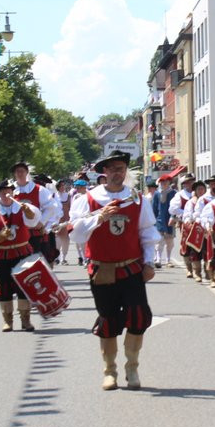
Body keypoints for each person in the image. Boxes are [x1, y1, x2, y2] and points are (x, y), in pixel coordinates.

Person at [69, 150, 159, 390]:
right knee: (108, 319)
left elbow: (147, 232)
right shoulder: (88, 200)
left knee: (139, 317)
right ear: (104, 172)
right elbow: (75, 234)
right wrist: (98, 219)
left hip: (131, 267)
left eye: (121, 168)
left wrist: (149, 262)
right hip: (103, 269)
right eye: (112, 169)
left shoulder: (136, 198)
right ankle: (110, 371)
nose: (117, 173)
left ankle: (132, 367)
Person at [0, 183, 41, 332]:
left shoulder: (21, 207)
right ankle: (8, 320)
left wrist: (29, 213)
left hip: (22, 251)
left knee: (24, 285)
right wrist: (0, 235)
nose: (7, 195)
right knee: (5, 285)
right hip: (2, 253)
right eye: (3, 192)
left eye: (9, 191)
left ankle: (25, 320)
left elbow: (33, 222)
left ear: (13, 193)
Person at [11, 162, 60, 259]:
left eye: (22, 171)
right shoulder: (9, 190)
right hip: (16, 233)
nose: (20, 174)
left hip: (34, 233)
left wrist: (42, 222)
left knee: (35, 262)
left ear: (27, 173)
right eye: (17, 171)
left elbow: (52, 206)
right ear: (14, 174)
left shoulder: (39, 190)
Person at [169, 174, 196, 277]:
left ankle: (198, 268)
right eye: (188, 182)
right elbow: (172, 209)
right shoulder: (180, 195)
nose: (190, 184)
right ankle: (189, 268)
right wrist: (186, 212)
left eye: (192, 181)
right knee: (186, 244)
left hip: (198, 223)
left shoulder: (199, 193)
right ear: (184, 184)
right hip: (185, 223)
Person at [151, 176, 176, 268]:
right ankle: (158, 259)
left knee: (169, 241)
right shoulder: (157, 194)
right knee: (159, 241)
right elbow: (154, 208)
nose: (163, 184)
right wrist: (153, 220)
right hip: (159, 220)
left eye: (165, 182)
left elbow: (176, 207)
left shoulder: (173, 193)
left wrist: (174, 217)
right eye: (162, 182)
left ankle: (168, 259)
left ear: (169, 182)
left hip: (169, 219)